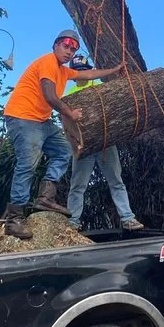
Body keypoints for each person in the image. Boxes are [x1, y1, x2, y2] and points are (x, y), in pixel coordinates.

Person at [3, 29, 124, 239]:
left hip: (41, 121)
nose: (69, 51)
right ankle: (14, 220)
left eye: (73, 48)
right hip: (22, 118)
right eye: (66, 46)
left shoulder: (63, 71)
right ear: (55, 46)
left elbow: (88, 74)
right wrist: (70, 113)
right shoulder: (48, 62)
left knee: (63, 150)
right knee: (27, 165)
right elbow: (50, 96)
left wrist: (113, 70)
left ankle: (45, 197)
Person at [65, 55, 144, 232]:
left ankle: (127, 218)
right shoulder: (68, 96)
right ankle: (73, 222)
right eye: (78, 71)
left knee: (116, 180)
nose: (82, 74)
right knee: (77, 185)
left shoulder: (100, 87)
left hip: (105, 143)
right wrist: (74, 144)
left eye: (85, 71)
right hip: (82, 146)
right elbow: (67, 125)